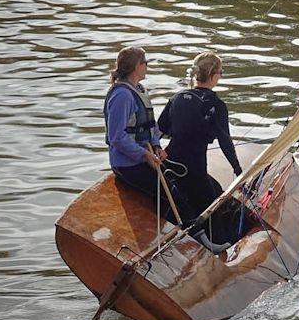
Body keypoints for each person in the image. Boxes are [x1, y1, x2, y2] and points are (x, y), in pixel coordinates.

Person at [158, 52, 243, 227]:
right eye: (221, 72)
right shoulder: (216, 104)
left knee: (216, 189)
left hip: (169, 163)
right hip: (194, 168)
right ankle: (216, 245)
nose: (220, 76)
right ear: (213, 76)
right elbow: (225, 142)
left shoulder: (178, 97)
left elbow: (160, 129)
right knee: (215, 205)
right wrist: (238, 171)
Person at [103, 46, 168, 196]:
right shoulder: (122, 96)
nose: (147, 66)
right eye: (144, 62)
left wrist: (156, 145)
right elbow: (117, 138)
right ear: (135, 66)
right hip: (127, 163)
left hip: (145, 156)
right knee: (169, 194)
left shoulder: (139, 90)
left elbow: (150, 124)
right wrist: (144, 154)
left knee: (177, 183)